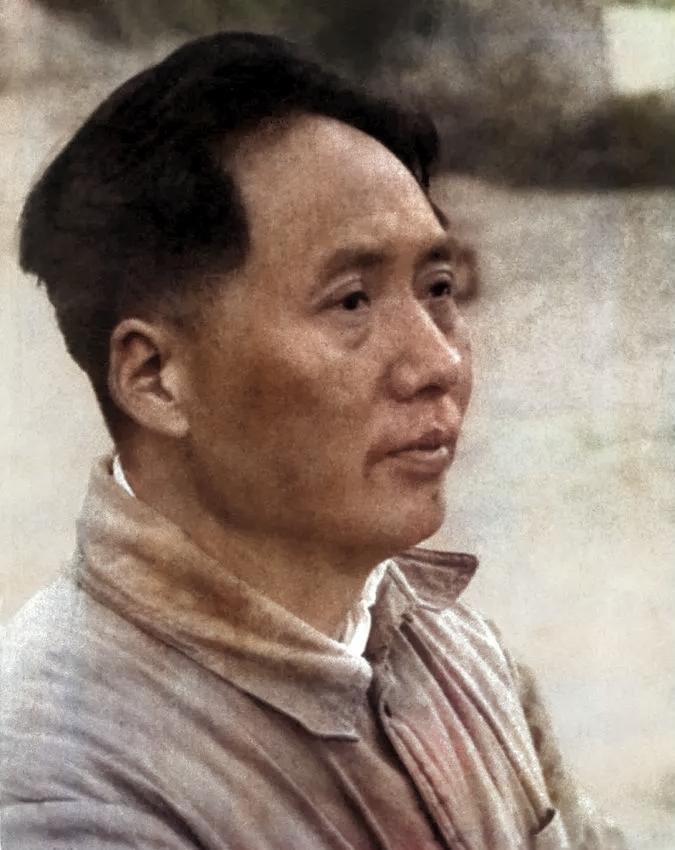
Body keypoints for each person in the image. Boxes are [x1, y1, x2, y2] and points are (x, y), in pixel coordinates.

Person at [0, 31, 625, 850]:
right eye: (351, 301)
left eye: (437, 287)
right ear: (154, 377)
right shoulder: (61, 784)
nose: (438, 363)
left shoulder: (460, 654)